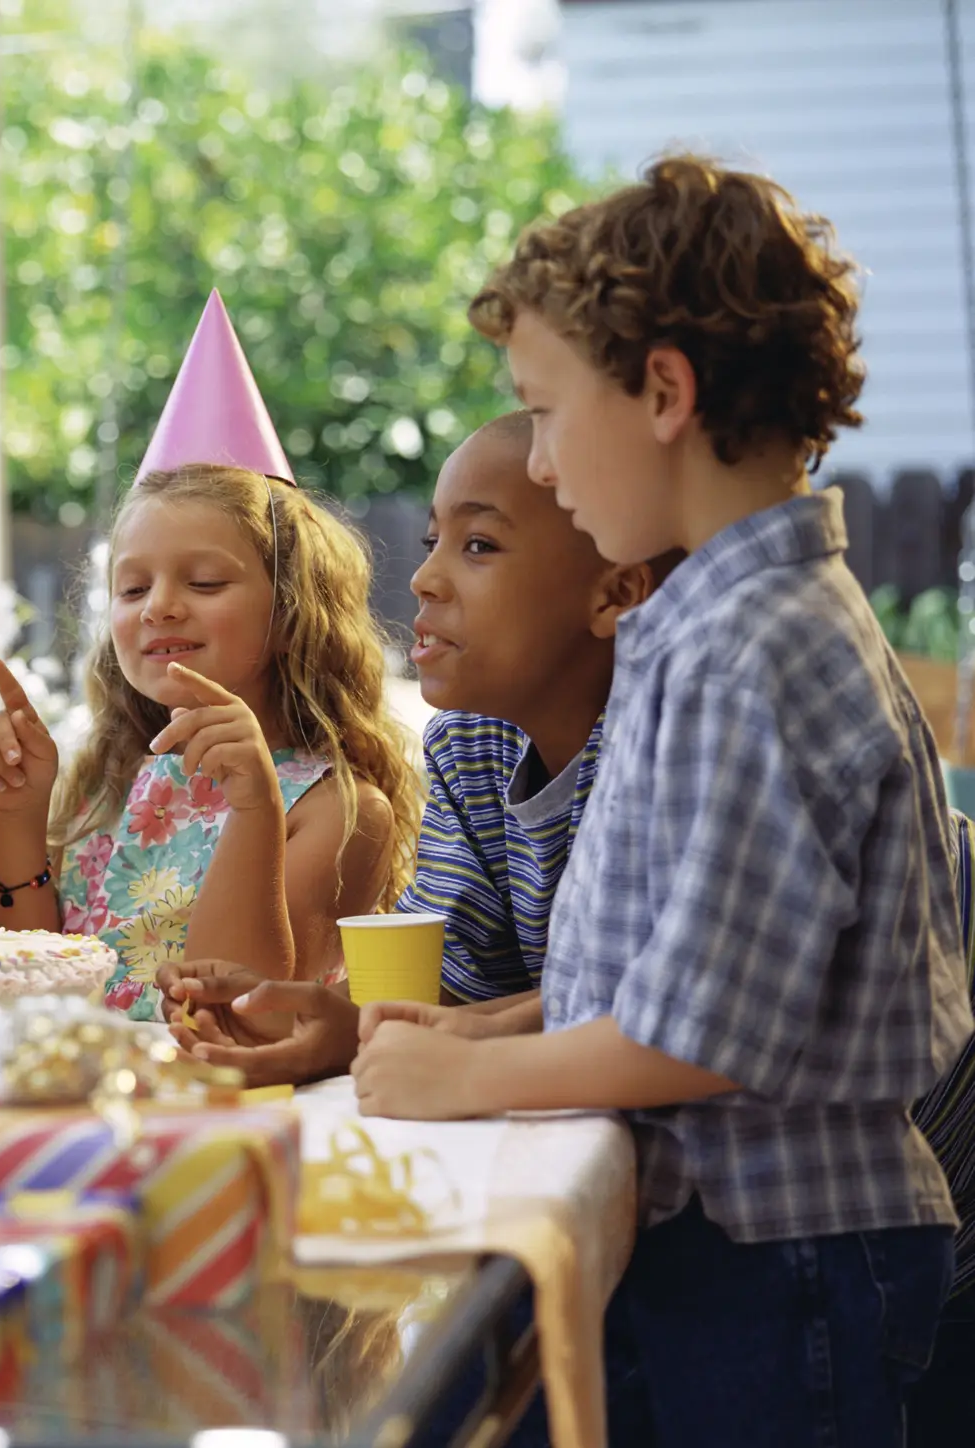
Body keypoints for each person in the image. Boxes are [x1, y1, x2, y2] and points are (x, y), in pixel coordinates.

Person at [355, 154, 972, 1447]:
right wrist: (479, 1035)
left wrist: (465, 1084)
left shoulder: (754, 650)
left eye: (547, 409)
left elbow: (703, 1038)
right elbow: (675, 975)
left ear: (663, 394)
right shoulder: (715, 628)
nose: (544, 455)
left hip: (780, 1258)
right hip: (730, 1241)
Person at [157, 409, 664, 1082]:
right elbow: (456, 979)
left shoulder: (662, 744)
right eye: (432, 540)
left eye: (478, 545)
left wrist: (371, 1030)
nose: (424, 577)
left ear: (614, 595)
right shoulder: (471, 744)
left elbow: (644, 1004)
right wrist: (320, 1015)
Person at [0, 292, 418, 1017]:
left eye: (203, 582)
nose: (159, 606)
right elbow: (24, 987)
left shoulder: (338, 809)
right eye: (131, 586)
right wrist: (15, 814)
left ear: (293, 609)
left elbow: (232, 1001)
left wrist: (253, 807)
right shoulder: (100, 787)